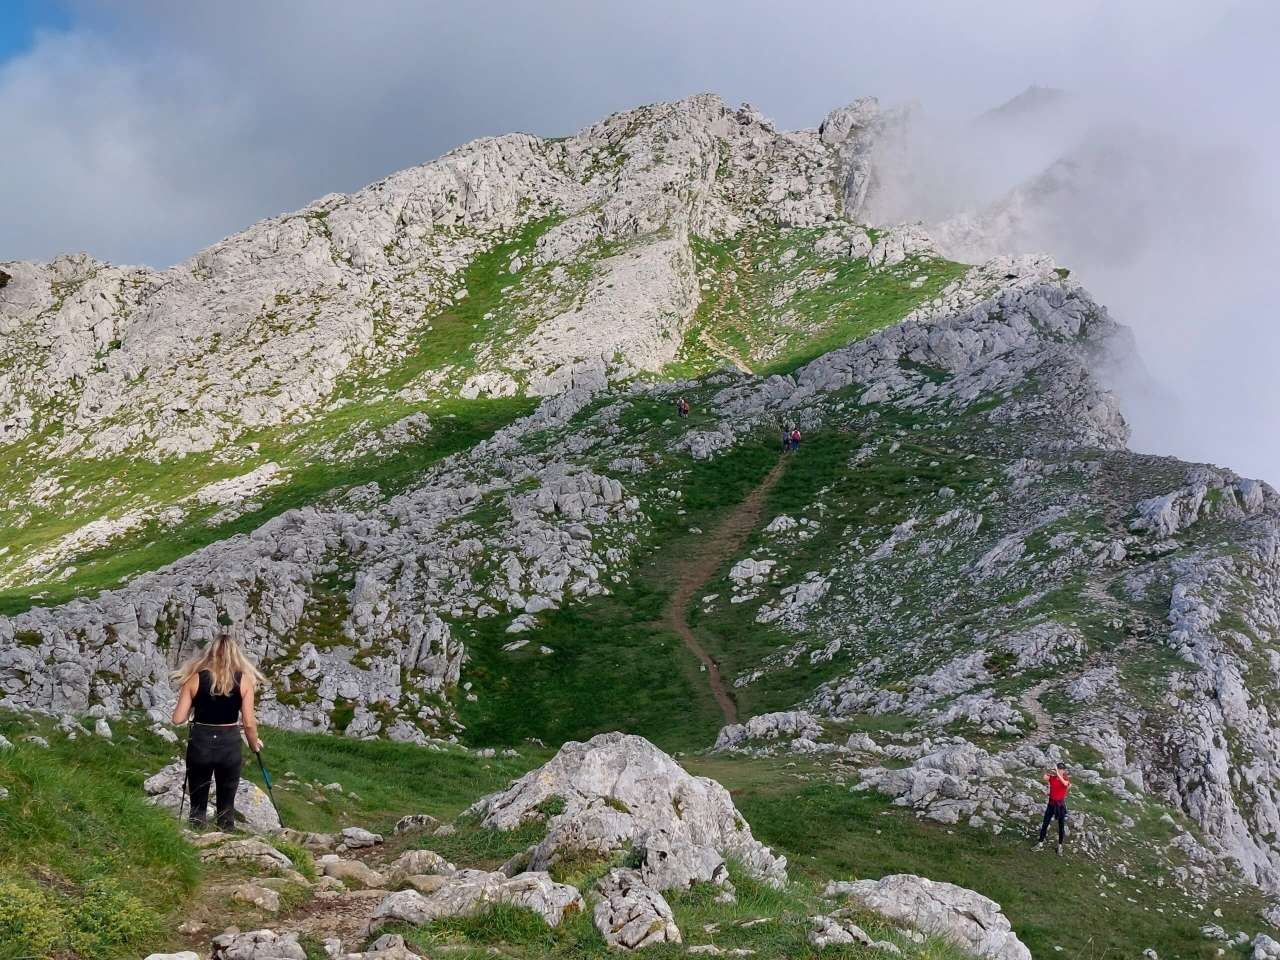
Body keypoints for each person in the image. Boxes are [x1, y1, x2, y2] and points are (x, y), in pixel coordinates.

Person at [171, 633, 265, 831]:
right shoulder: (244, 681)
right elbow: (249, 723)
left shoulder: (194, 679)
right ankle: (225, 836)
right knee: (226, 802)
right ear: (236, 654)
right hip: (229, 744)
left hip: (200, 742)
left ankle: (195, 836)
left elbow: (178, 719)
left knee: (198, 802)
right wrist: (254, 744)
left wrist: (195, 703)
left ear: (210, 653)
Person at [1036, 762, 1071, 854]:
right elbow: (1044, 777)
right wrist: (1047, 769)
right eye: (1058, 769)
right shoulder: (1053, 778)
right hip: (1051, 804)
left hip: (1060, 805)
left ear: (1064, 770)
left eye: (1061, 769)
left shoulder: (1066, 778)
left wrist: (1058, 774)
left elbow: (1065, 784)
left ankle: (1060, 846)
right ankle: (1040, 843)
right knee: (1045, 823)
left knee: (1061, 826)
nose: (1059, 770)